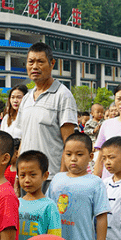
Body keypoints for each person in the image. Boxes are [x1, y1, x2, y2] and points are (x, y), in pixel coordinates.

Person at [16, 43, 78, 190]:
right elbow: (22, 140)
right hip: (27, 178)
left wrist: (62, 179)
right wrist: (19, 176)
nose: (34, 66)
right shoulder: (26, 98)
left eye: (40, 62)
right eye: (31, 62)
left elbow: (69, 143)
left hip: (51, 178)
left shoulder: (63, 95)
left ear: (52, 64)